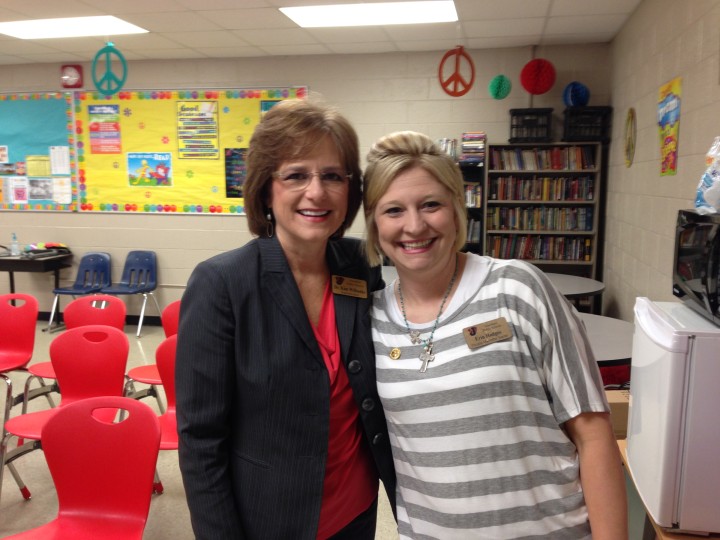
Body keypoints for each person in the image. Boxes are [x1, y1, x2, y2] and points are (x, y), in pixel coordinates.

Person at [362, 131, 627, 539]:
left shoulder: (519, 289)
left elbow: (593, 433)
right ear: (374, 225)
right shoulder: (371, 317)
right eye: (393, 210)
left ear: (456, 207)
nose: (414, 225)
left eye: (430, 204)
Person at [176, 99, 396, 540]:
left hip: (355, 510)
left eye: (333, 176)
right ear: (265, 190)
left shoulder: (360, 264)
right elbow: (201, 441)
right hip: (270, 518)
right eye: (296, 175)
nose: (316, 192)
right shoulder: (223, 283)